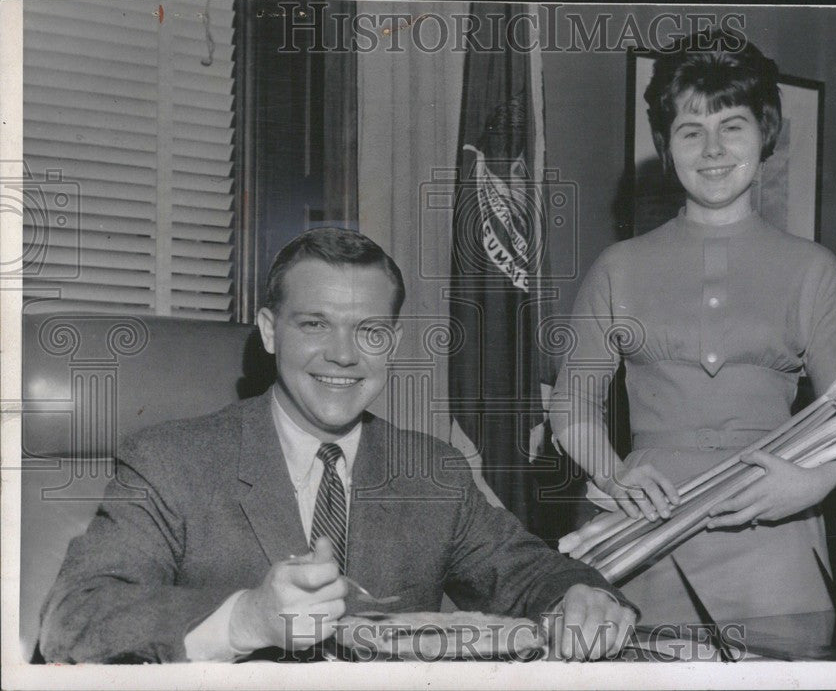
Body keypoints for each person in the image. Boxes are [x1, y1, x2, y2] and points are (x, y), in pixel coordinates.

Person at [39, 228, 635, 663]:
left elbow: (532, 574)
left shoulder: (433, 472)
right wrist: (248, 618)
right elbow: (74, 618)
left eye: (368, 331)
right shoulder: (171, 461)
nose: (344, 355)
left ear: (392, 341)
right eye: (314, 324)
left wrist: (578, 597)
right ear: (271, 331)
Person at [550, 32, 836, 626]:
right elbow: (572, 409)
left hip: (776, 539)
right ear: (666, 145)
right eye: (691, 131)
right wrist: (615, 474)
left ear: (765, 133)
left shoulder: (814, 269)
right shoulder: (619, 266)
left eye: (733, 126)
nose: (713, 149)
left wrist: (811, 486)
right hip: (646, 534)